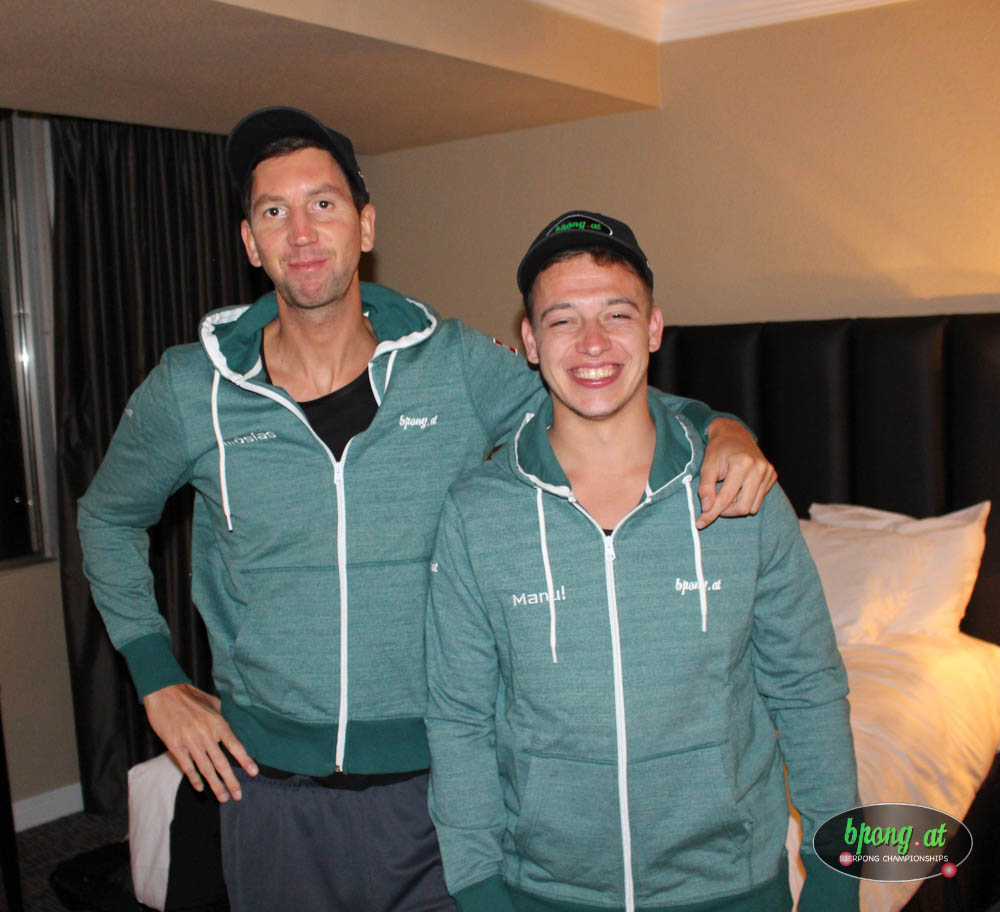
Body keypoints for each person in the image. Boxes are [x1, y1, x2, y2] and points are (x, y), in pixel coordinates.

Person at [77, 108, 776, 912]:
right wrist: (157, 680)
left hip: (438, 791)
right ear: (250, 242)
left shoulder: (454, 365)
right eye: (274, 211)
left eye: (324, 204)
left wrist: (718, 426)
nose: (301, 232)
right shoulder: (190, 388)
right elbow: (107, 517)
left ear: (366, 225)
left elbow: (598, 401)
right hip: (269, 790)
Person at [424, 211, 859, 912]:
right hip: (543, 893)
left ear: (654, 328)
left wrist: (835, 875)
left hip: (733, 888)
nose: (593, 343)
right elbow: (458, 719)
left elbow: (807, 689)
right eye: (563, 320)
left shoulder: (742, 493)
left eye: (617, 314)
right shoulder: (478, 513)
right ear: (530, 341)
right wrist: (478, 887)